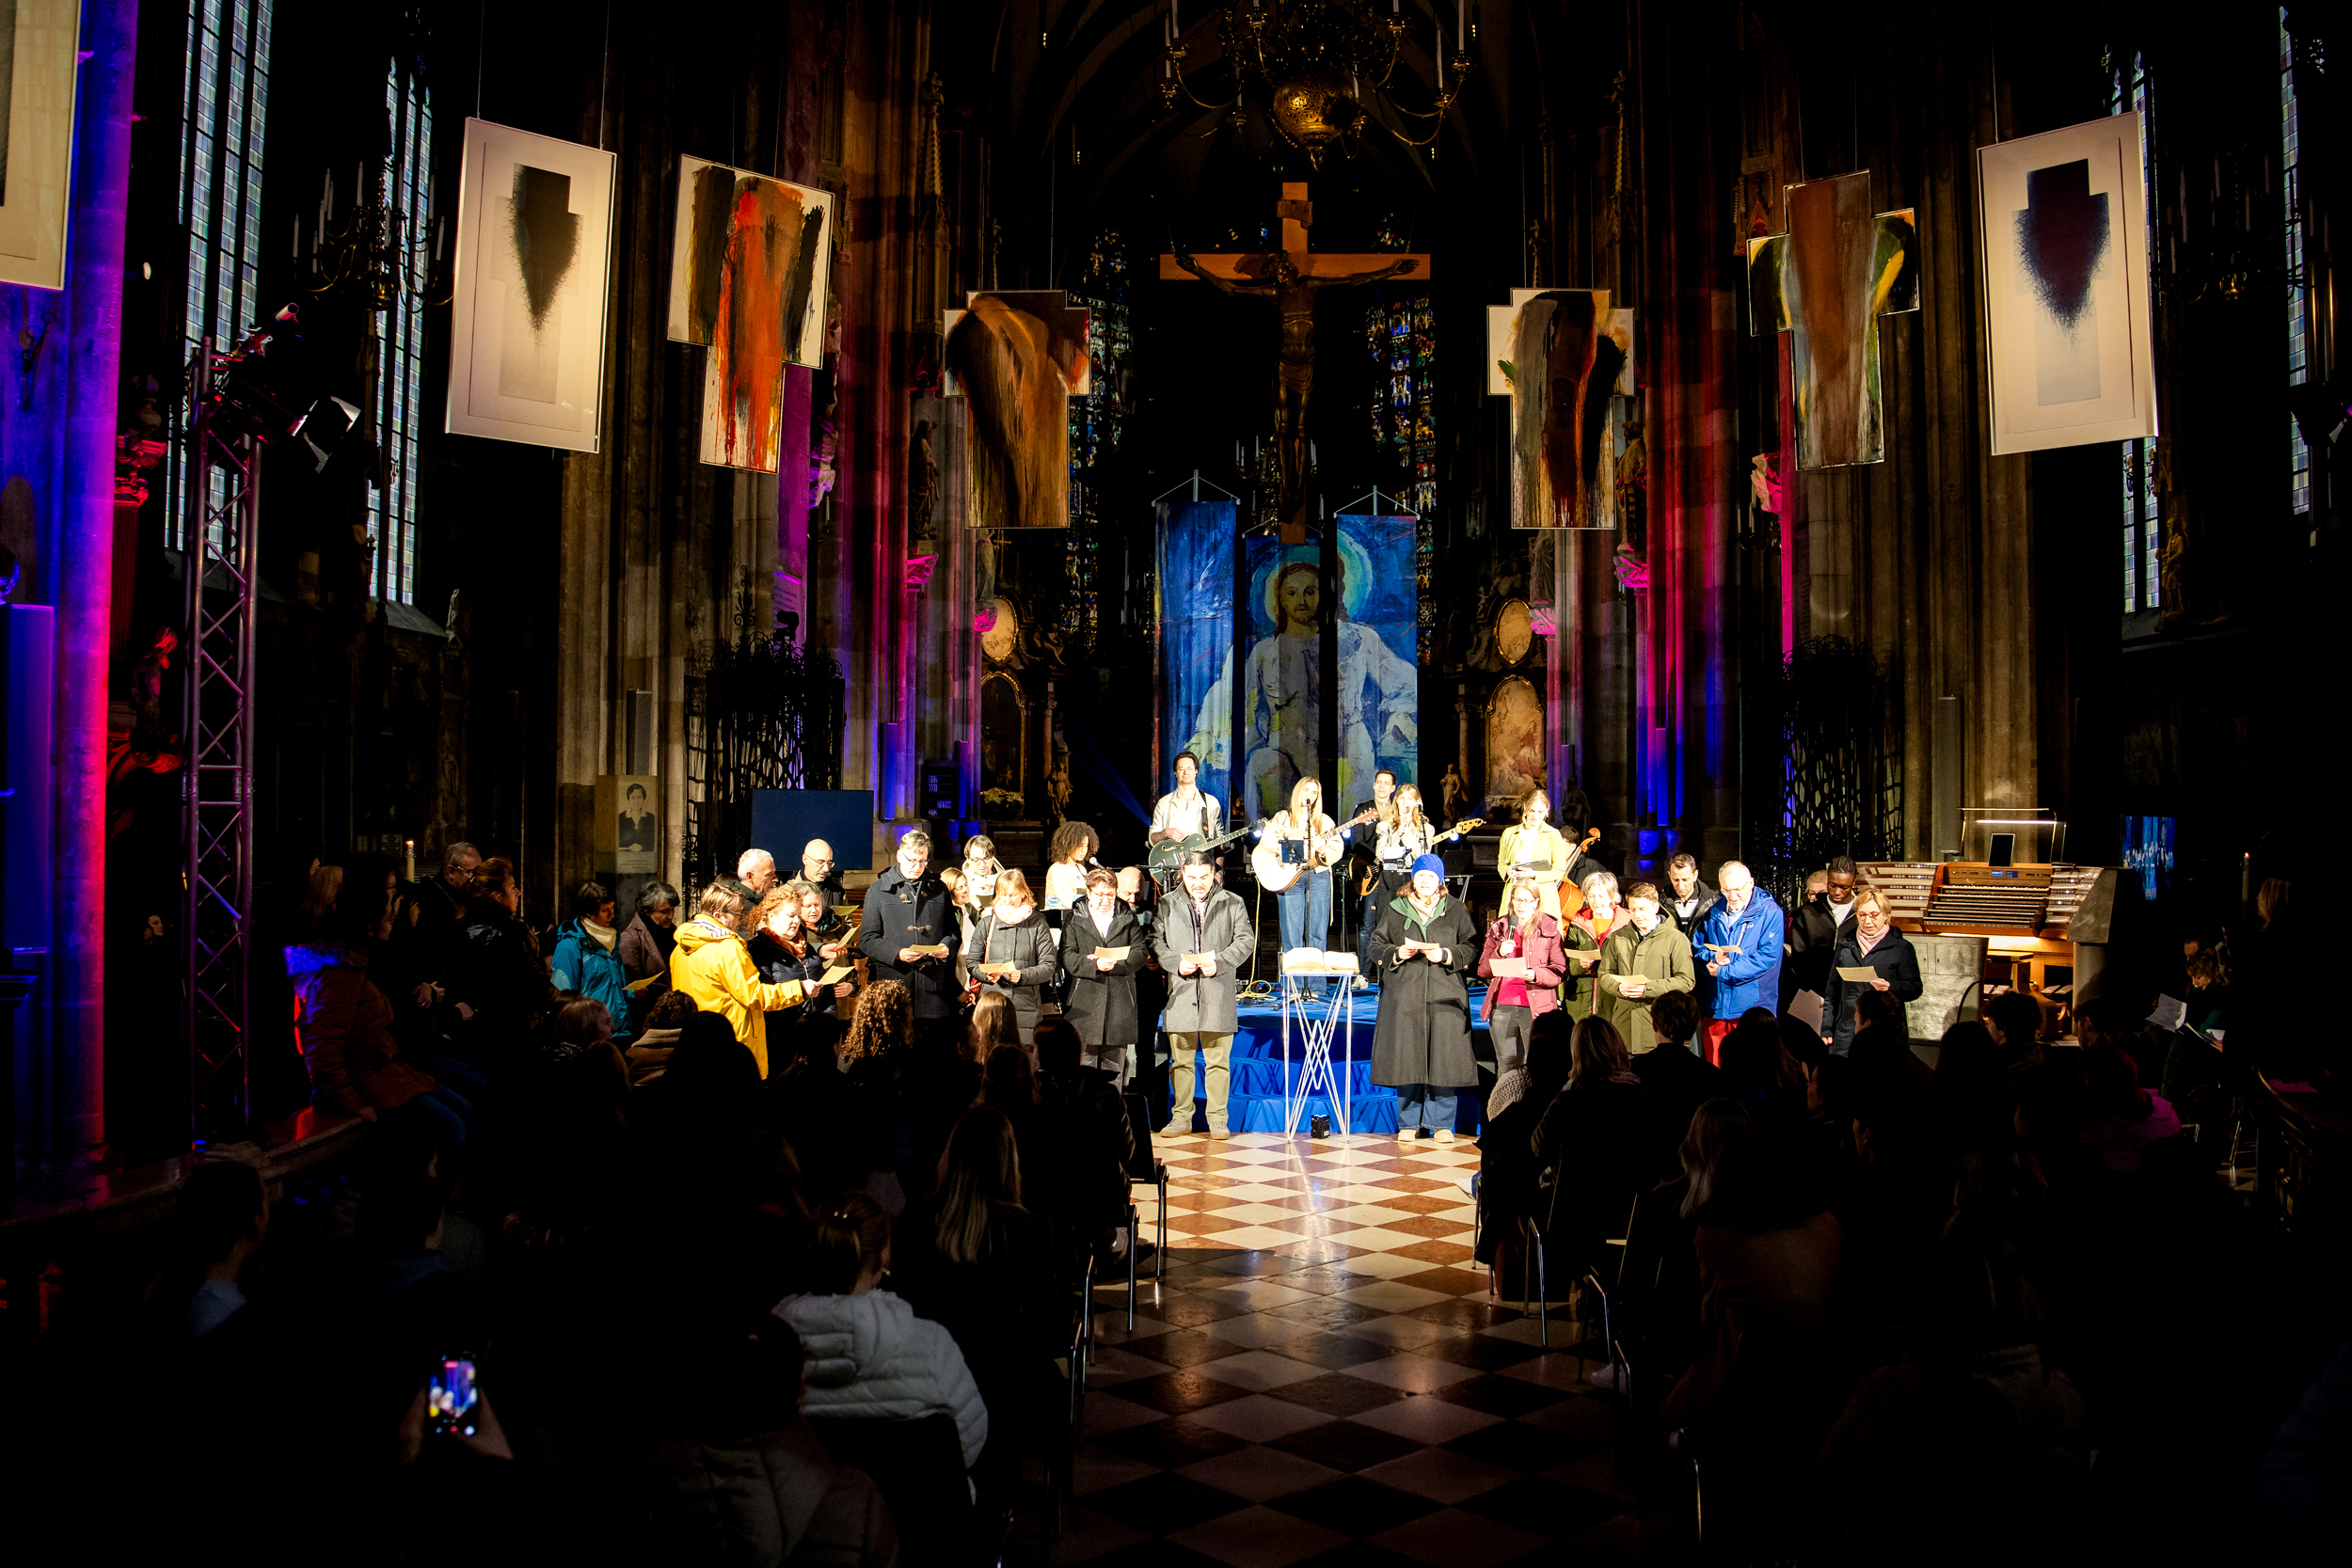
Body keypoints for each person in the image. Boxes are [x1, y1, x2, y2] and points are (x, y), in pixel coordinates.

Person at [886, 1107, 1062, 1483]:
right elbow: (1046, 1329)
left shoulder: (914, 1221)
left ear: (950, 1155)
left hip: (926, 1381)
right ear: (1008, 1161)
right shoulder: (1030, 1230)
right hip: (1008, 1390)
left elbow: (901, 1306)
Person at [1179, 554, 1417, 822]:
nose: (1301, 600)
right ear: (1279, 598)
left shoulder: (1359, 639)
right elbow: (1229, 694)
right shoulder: (1265, 651)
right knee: (1261, 766)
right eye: (1291, 593)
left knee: (1344, 817)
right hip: (1285, 745)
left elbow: (1403, 681)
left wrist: (1399, 715)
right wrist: (1207, 734)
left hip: (1346, 746)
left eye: (1310, 592)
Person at [771, 1194, 990, 1472]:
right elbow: (968, 1443)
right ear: (883, 1257)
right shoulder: (933, 1346)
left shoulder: (771, 1348)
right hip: (916, 1497)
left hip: (809, 1498)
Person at [1369, 856, 1480, 1143]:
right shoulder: (1396, 908)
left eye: (1431, 876)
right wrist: (1396, 953)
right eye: (1421, 876)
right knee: (1407, 1057)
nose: (1426, 881)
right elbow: (1375, 945)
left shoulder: (1455, 909)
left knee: (1444, 1058)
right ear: (1413, 879)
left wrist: (1446, 955)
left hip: (1446, 994)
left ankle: (1441, 1123)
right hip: (1405, 995)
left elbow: (1471, 946)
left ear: (1440, 880)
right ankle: (1409, 1123)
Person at [1153, 853, 1255, 1138]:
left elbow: (1245, 940)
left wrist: (1220, 963)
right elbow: (1156, 941)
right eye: (1191, 877)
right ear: (1182, 875)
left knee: (1218, 1063)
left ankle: (1218, 1120)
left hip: (1217, 992)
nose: (1197, 883)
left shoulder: (1233, 902)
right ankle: (1181, 1118)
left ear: (1213, 875)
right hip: (1181, 994)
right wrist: (1174, 963)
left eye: (1203, 877)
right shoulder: (1166, 903)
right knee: (1181, 1063)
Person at [671, 880, 808, 1078]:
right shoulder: (728, 947)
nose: (742, 918)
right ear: (719, 916)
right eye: (738, 913)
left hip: (697, 1040)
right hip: (732, 1042)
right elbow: (754, 995)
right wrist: (799, 989)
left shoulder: (680, 947)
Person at [855, 829, 962, 1046]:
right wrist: (897, 953)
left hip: (932, 988)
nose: (917, 866)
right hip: (894, 985)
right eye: (912, 860)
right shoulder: (878, 890)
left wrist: (946, 946)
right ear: (899, 855)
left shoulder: (939, 889)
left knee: (931, 1053)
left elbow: (953, 932)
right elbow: (867, 939)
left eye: (922, 861)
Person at [447, 856, 553, 1061]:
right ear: (497, 895)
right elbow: (537, 986)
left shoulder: (463, 927)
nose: (518, 892)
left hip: (473, 1036)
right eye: (512, 887)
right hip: (507, 1034)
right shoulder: (508, 935)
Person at [1260, 775, 1345, 999]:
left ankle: (1316, 987)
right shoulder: (1283, 817)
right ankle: (1293, 988)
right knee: (1292, 934)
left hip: (1317, 877)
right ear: (1298, 791)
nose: (1310, 795)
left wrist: (1323, 847)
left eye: (1314, 792)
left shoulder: (1324, 821)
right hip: (1289, 878)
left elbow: (1337, 850)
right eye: (1306, 790)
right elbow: (1267, 841)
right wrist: (1293, 840)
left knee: (1317, 933)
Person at [1692, 860, 1784, 1065]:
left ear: (1750, 883)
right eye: (1726, 890)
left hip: (1752, 1009)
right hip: (1717, 1006)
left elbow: (1766, 957)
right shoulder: (1714, 911)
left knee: (1752, 1070)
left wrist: (1725, 971)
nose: (1732, 896)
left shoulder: (1770, 912)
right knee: (1717, 1070)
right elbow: (1698, 947)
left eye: (1737, 889)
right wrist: (1710, 958)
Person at [1477, 879, 1566, 1078]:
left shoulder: (1549, 928)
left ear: (1536, 902)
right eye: (1518, 900)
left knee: (1536, 1063)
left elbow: (1560, 970)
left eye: (1527, 900)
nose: (1522, 905)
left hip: (1535, 1007)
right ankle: (1506, 1098)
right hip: (1502, 1006)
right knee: (1506, 1063)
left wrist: (1536, 974)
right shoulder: (1500, 927)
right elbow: (1483, 971)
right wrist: (1499, 952)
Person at [1060, 867, 1142, 1080]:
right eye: (1100, 894)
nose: (1105, 900)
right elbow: (1066, 956)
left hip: (1119, 1001)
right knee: (1083, 1069)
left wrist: (1117, 963)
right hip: (1085, 1001)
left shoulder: (1127, 916)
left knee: (1113, 1070)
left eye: (1110, 895)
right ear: (1089, 893)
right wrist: (1094, 965)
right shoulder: (1075, 918)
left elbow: (1140, 952)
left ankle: (1112, 1103)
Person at [748, 887, 855, 1049]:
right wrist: (801, 989)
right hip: (783, 1040)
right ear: (772, 917)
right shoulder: (759, 950)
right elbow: (762, 998)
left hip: (817, 1037)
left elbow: (826, 993)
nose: (796, 921)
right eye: (790, 915)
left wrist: (827, 1025)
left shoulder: (806, 947)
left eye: (798, 916)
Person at [1597, 879, 1696, 1052]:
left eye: (1642, 909)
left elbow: (1686, 980)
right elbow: (1604, 974)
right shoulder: (1617, 938)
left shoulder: (1676, 938)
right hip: (1625, 1028)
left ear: (1655, 907)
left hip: (1660, 1028)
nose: (1637, 915)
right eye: (1633, 910)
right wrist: (1618, 987)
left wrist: (1647, 988)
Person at [1824, 885, 1922, 1054]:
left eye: (1874, 915)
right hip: (1847, 1030)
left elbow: (1914, 988)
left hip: (1885, 1032)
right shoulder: (1846, 945)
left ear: (1886, 916)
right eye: (1862, 915)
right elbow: (1833, 988)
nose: (1868, 921)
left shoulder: (1901, 948)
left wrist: (1890, 987)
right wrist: (1827, 1027)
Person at [968, 870, 1060, 1043]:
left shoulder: (1038, 924)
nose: (1007, 900)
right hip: (992, 1005)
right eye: (1002, 895)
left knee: (1023, 1054)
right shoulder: (987, 923)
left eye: (1012, 895)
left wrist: (1022, 975)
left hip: (1026, 1005)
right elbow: (972, 962)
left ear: (1023, 894)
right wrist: (985, 975)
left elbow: (1048, 965)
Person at [549, 880, 633, 1044]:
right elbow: (564, 995)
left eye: (612, 908)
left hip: (620, 1030)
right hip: (591, 1034)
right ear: (588, 912)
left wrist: (632, 993)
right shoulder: (570, 946)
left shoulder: (612, 942)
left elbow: (617, 985)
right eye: (605, 910)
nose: (611, 915)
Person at [1785, 856, 1858, 1008]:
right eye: (1832, 885)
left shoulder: (1864, 912)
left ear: (1854, 883)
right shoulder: (1807, 913)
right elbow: (1800, 960)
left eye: (1844, 887)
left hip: (1854, 995)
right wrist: (1817, 992)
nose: (1837, 892)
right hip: (1816, 996)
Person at [1563, 869, 1633, 1020]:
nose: (1596, 902)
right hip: (1581, 999)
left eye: (1601, 896)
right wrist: (1581, 965)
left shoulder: (1626, 924)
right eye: (1591, 896)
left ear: (1611, 896)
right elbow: (1568, 964)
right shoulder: (1578, 922)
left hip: (1613, 998)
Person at [1497, 792, 1573, 921]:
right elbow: (1501, 864)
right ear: (1525, 807)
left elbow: (1559, 871)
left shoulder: (1553, 835)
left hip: (1542, 894)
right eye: (1532, 811)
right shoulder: (1509, 833)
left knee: (1541, 931)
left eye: (1540, 812)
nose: (1535, 816)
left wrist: (1534, 874)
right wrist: (1507, 871)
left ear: (1547, 810)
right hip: (1515, 892)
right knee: (1512, 929)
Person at [1147, 751, 1226, 860]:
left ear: (1196, 771)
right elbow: (1152, 839)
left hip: (1201, 864)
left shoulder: (1211, 802)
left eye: (1190, 768)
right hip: (1172, 864)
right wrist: (1165, 833)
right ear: (1175, 772)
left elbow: (1219, 841)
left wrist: (1219, 869)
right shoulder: (1164, 803)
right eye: (1181, 769)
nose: (1186, 772)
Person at [616, 880, 680, 999]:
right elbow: (632, 986)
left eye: (672, 910)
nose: (670, 916)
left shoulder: (675, 933)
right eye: (664, 912)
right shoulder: (631, 938)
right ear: (648, 911)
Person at [1043, 820, 1098, 913]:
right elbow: (1068, 901)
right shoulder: (1057, 870)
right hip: (1059, 918)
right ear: (1068, 844)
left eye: (1086, 846)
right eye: (1079, 846)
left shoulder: (1081, 869)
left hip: (1078, 915)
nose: (1083, 850)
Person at [1664, 852, 1721, 937]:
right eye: (1675, 880)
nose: (1680, 886)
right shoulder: (1661, 902)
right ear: (1669, 875)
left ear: (1695, 875)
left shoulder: (1713, 902)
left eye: (1685, 880)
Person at [959, 833, 1002, 905]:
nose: (982, 864)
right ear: (968, 859)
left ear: (993, 857)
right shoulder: (961, 886)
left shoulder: (1006, 882)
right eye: (976, 860)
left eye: (986, 858)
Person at [801, 840, 847, 905]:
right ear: (805, 860)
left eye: (829, 863)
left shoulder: (837, 892)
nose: (826, 869)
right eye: (820, 862)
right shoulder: (789, 891)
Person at [616, 783, 656, 852]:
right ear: (628, 799)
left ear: (643, 798)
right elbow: (616, 844)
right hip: (625, 857)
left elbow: (654, 842)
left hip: (646, 857)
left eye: (639, 797)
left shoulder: (651, 818)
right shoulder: (620, 818)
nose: (636, 802)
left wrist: (642, 847)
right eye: (633, 798)